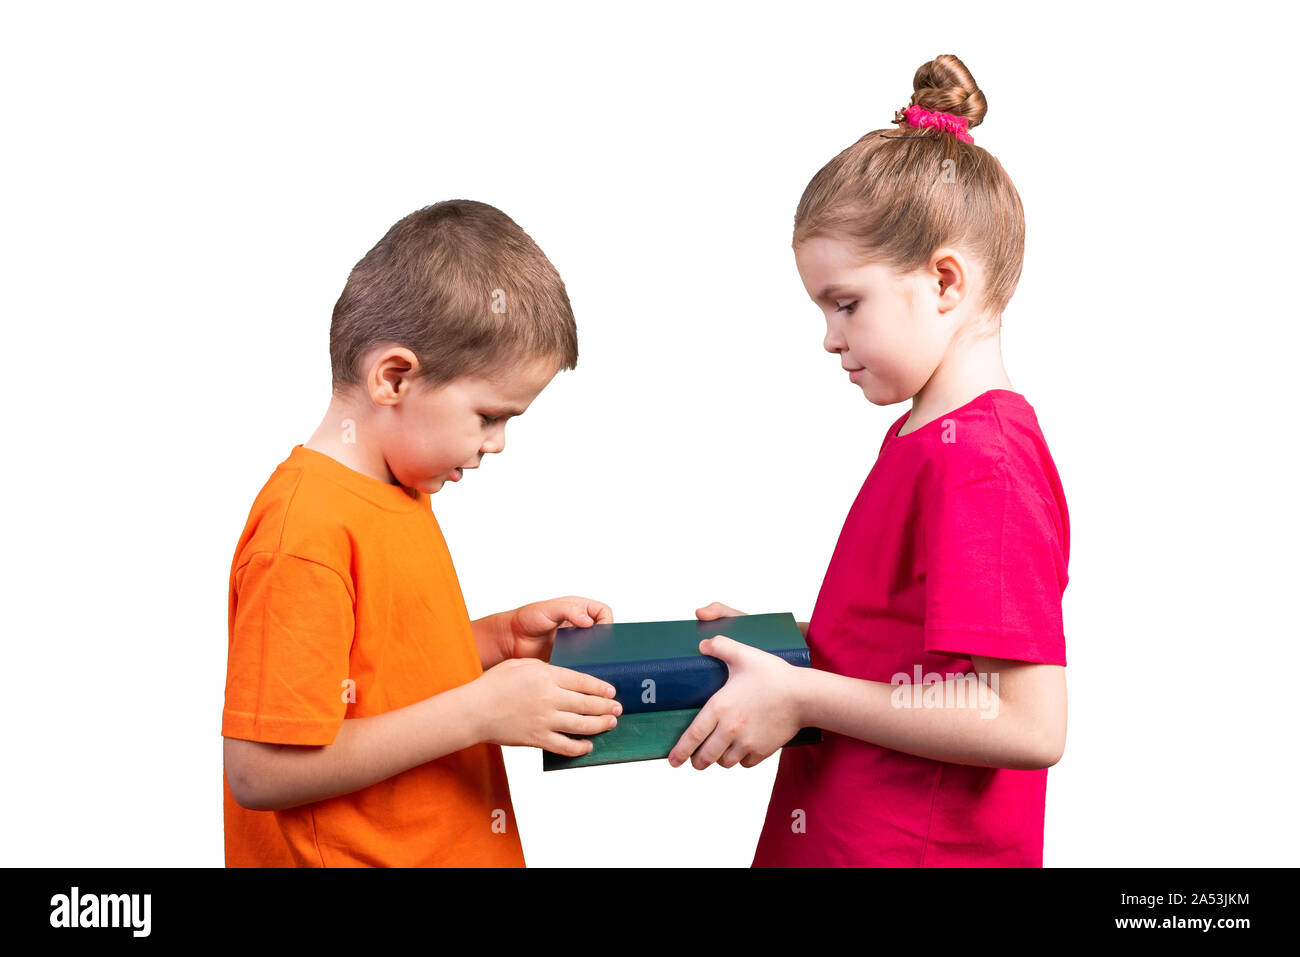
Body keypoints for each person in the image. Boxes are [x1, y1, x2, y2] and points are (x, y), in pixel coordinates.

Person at [668, 54, 1070, 867]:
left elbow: (1029, 721)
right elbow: (914, 660)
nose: (829, 336)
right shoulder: (926, 438)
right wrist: (782, 655)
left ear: (945, 280)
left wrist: (803, 693)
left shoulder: (981, 461)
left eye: (845, 303)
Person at [222, 199, 622, 866]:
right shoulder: (306, 527)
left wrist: (495, 643)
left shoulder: (397, 491)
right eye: (489, 415)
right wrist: (480, 710)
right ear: (394, 377)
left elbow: (365, 677)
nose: (497, 444)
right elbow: (261, 770)